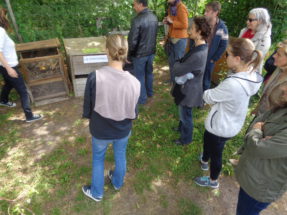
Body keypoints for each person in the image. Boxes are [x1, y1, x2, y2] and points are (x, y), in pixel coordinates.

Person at [194, 38, 263, 188]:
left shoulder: (233, 84)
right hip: (232, 122)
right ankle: (204, 160)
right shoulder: (251, 74)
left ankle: (213, 181)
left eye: (228, 55)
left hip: (221, 127)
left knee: (216, 154)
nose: (225, 58)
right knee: (208, 140)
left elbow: (209, 96)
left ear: (238, 59)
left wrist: (207, 91)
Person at [82, 34, 140, 202]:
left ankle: (97, 193)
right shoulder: (135, 82)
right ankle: (117, 183)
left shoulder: (95, 76)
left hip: (100, 129)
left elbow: (88, 108)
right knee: (120, 155)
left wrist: (89, 118)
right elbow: (133, 112)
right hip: (123, 129)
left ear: (107, 51)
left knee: (98, 159)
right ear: (125, 52)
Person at [235, 82, 287, 215]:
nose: (283, 92)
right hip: (254, 176)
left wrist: (257, 131)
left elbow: (258, 148)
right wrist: (260, 132)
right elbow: (262, 118)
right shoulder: (283, 108)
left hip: (261, 187)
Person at [172, 16, 210, 146]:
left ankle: (186, 139)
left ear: (199, 32)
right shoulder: (200, 46)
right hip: (189, 87)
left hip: (189, 90)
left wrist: (177, 63)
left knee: (186, 115)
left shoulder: (198, 54)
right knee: (183, 112)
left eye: (192, 28)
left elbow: (177, 70)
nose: (189, 30)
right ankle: (181, 128)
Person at [0, 8, 42, 122]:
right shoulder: (0, 31)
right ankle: (29, 116)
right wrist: (9, 69)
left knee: (8, 83)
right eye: (5, 14)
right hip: (8, 66)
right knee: (23, 91)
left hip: (3, 66)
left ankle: (3, 100)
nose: (6, 16)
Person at [128, 0, 158, 105]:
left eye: (135, 4)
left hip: (139, 54)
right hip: (151, 52)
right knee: (149, 73)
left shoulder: (137, 20)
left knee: (139, 76)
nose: (133, 7)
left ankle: (142, 99)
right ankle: (149, 93)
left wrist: (129, 55)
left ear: (141, 4)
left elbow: (132, 41)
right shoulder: (154, 17)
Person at [255, 40, 287, 116]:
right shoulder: (279, 69)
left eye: (278, 55)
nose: (274, 56)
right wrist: (258, 108)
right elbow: (267, 94)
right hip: (260, 115)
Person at [203, 1, 228, 91]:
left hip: (210, 60)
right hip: (199, 56)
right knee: (196, 76)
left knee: (206, 80)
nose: (205, 13)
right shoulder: (202, 23)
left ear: (215, 13)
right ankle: (194, 97)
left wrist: (214, 59)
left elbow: (223, 46)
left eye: (207, 11)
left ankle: (203, 99)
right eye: (205, 11)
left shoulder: (222, 28)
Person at [239, 8, 272, 74]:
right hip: (235, 66)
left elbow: (254, 60)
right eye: (248, 19)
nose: (247, 22)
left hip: (247, 73)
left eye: (250, 20)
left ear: (260, 21)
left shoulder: (265, 40)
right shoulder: (244, 31)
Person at [163, 0, 188, 82]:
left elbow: (185, 25)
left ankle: (179, 81)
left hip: (180, 40)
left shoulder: (181, 7)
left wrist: (172, 22)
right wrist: (167, 21)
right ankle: (173, 79)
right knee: (171, 61)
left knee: (179, 61)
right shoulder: (171, 7)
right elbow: (172, 22)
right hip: (172, 38)